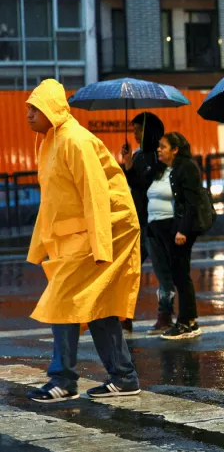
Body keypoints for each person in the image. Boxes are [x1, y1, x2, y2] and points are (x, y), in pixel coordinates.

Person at [24, 79, 141, 402]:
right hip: (85, 234)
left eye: (35, 108)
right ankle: (124, 377)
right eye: (28, 109)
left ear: (53, 109)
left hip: (108, 230)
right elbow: (53, 201)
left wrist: (101, 247)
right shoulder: (51, 142)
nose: (29, 115)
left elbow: (95, 194)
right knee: (97, 304)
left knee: (63, 302)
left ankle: (63, 379)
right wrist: (40, 247)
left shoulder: (74, 141)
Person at [156, 132, 215, 339]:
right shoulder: (175, 169)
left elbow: (191, 203)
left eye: (163, 146)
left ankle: (186, 322)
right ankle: (189, 320)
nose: (159, 150)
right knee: (179, 273)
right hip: (180, 225)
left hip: (185, 227)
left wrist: (182, 230)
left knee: (181, 274)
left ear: (175, 149)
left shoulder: (186, 168)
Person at [121, 112, 167, 334]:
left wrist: (130, 166)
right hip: (138, 223)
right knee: (130, 273)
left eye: (138, 129)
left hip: (155, 223)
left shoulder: (157, 158)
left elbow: (143, 185)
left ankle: (164, 316)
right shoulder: (139, 156)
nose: (134, 134)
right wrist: (129, 162)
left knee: (162, 273)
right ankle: (125, 316)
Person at [144, 153, 176, 334]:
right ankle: (164, 316)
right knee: (161, 272)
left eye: (163, 148)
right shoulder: (156, 174)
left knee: (168, 276)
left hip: (169, 227)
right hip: (153, 227)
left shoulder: (177, 171)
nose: (159, 152)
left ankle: (166, 316)